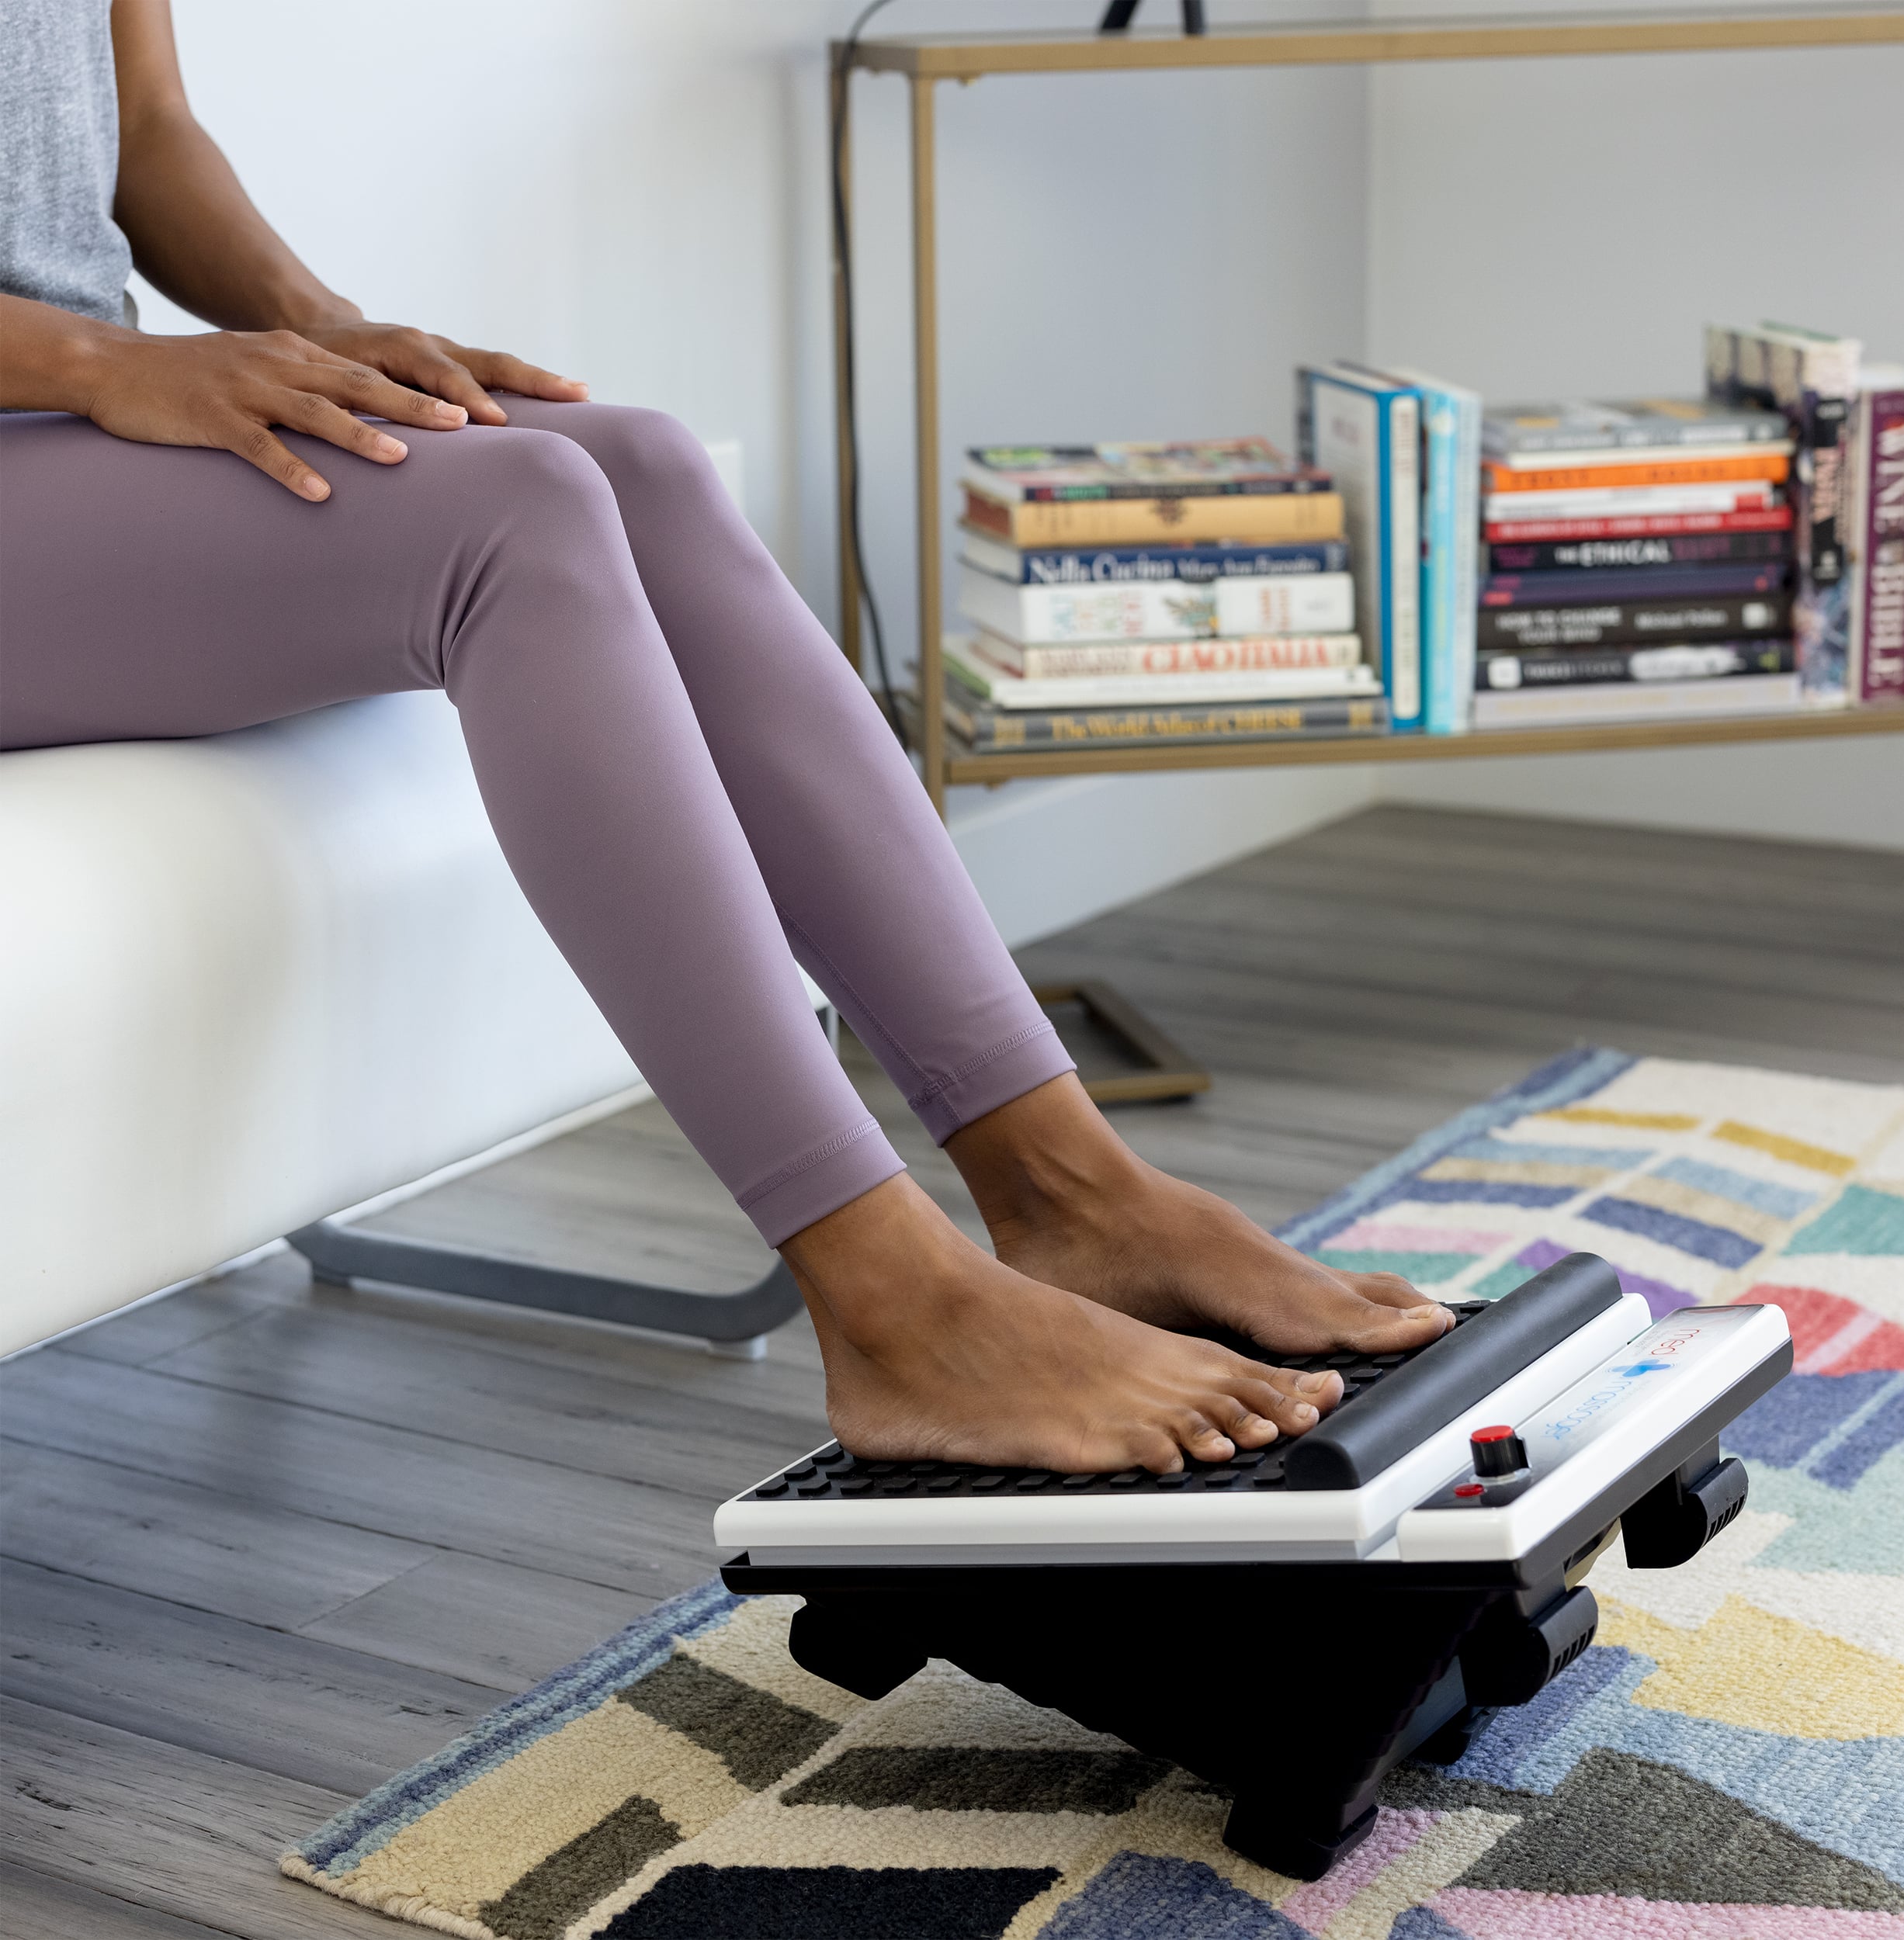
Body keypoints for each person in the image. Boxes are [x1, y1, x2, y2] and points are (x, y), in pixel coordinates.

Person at [1, 0, 1451, 1476]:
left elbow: (145, 120)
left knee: (627, 457)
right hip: (47, 406)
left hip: (63, 429)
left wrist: (321, 326)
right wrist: (104, 367)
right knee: (516, 517)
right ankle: (890, 1306)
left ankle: (1070, 1188)